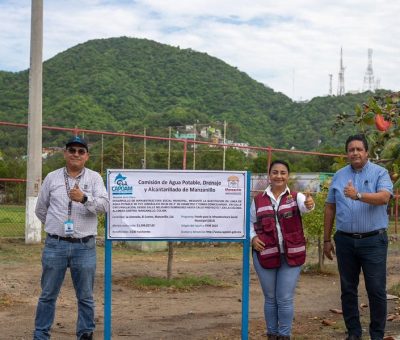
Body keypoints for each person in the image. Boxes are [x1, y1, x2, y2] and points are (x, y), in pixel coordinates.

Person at [33, 136, 109, 340]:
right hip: (55, 244)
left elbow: (105, 206)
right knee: (48, 294)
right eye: (72, 150)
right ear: (65, 153)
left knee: (85, 296)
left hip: (84, 246)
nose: (76, 154)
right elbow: (41, 209)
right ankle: (41, 335)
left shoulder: (94, 178)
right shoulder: (52, 177)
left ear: (86, 156)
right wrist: (55, 228)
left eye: (80, 151)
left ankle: (84, 333)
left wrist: (84, 199)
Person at [323, 134, 393, 340]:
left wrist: (358, 195)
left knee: (376, 290)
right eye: (351, 149)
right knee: (348, 289)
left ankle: (377, 335)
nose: (355, 153)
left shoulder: (381, 173)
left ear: (366, 152)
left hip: (373, 241)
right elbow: (330, 207)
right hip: (345, 241)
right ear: (347, 153)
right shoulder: (339, 175)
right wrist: (327, 240)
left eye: (358, 149)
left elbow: (384, 197)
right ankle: (354, 333)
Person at [250, 160, 315, 340]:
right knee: (270, 297)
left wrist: (310, 204)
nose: (279, 176)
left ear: (288, 176)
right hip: (265, 254)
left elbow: (306, 206)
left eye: (283, 172)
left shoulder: (296, 197)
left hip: (292, 254)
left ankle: (284, 335)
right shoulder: (258, 200)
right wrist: (253, 238)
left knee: (284, 297)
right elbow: (250, 222)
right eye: (275, 172)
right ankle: (272, 334)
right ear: (269, 175)